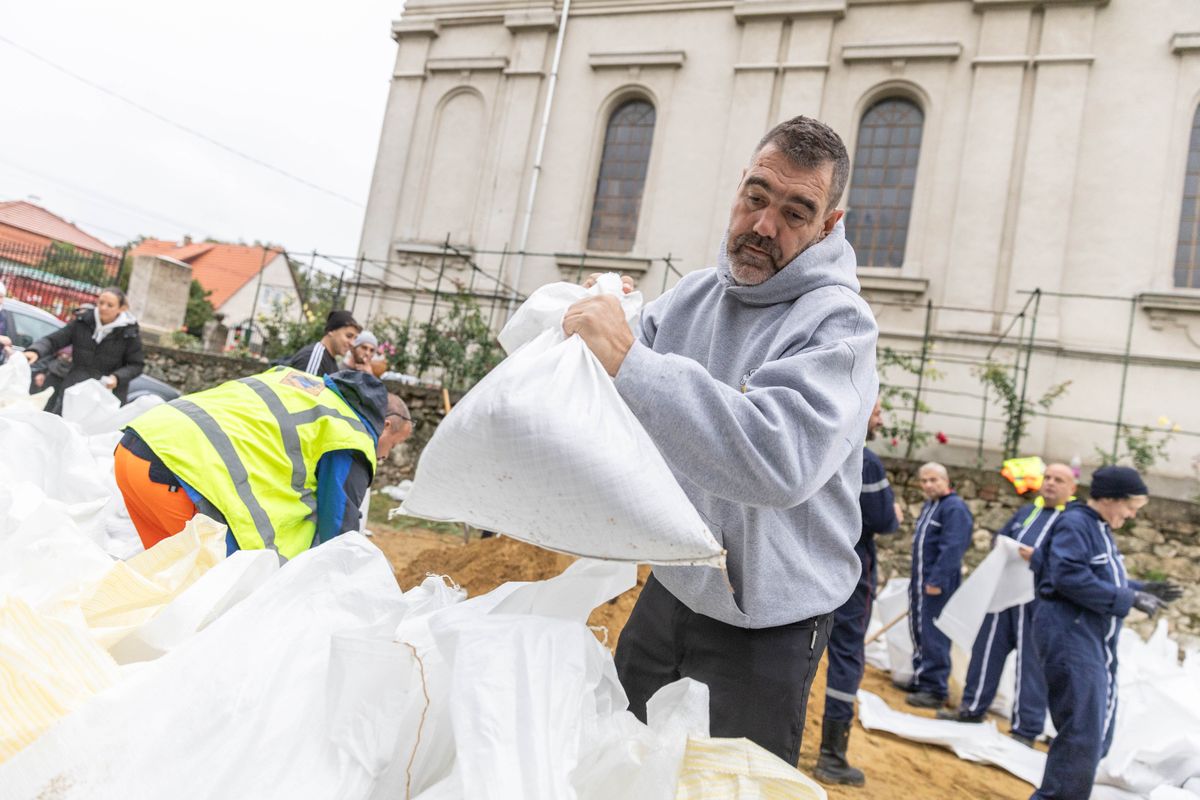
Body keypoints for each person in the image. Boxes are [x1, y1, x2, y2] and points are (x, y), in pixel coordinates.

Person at [562, 115, 879, 764]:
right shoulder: (695, 298)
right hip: (673, 593)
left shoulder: (838, 327)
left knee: (722, 787)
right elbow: (616, 389)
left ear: (830, 225)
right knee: (616, 765)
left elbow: (776, 461)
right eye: (757, 197)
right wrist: (600, 320)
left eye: (797, 212)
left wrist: (630, 361)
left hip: (768, 629)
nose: (765, 225)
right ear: (740, 188)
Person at [114, 366, 414, 559]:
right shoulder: (351, 431)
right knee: (209, 596)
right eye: (392, 445)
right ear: (386, 426)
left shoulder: (296, 380)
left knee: (165, 582)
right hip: (176, 476)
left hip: (135, 449)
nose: (384, 456)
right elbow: (338, 530)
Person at [1029, 465, 1182, 799]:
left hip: (1090, 639)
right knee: (1082, 732)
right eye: (1130, 507)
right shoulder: (1076, 524)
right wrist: (1128, 597)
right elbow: (1067, 577)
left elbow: (1097, 576)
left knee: (1093, 733)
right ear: (1111, 499)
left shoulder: (1096, 527)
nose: (1130, 515)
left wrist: (1142, 588)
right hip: (1071, 636)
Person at [936, 462, 1077, 745]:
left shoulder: (1070, 521)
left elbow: (1068, 562)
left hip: (1037, 601)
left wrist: (1035, 558)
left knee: (1031, 664)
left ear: (1071, 488)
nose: (1050, 483)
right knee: (986, 651)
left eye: (1058, 480)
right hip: (1002, 596)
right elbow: (1003, 536)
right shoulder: (1027, 512)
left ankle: (1026, 728)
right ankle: (972, 709)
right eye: (1047, 477)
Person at [814, 394, 903, 786]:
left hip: (808, 562)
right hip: (850, 571)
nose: (881, 420)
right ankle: (832, 756)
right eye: (878, 411)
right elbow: (883, 518)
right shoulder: (865, 461)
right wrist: (893, 514)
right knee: (847, 656)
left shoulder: (815, 440)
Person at [905, 462, 974, 709]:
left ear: (946, 481)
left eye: (933, 480)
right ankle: (921, 676)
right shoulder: (929, 506)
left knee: (934, 633)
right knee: (918, 628)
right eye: (924, 481)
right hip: (920, 581)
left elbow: (953, 548)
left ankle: (934, 688)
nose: (928, 485)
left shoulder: (954, 509)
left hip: (937, 584)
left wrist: (937, 580)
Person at [23, 286, 144, 415]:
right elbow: (54, 340)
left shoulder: (129, 333)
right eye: (101, 303)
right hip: (74, 390)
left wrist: (117, 378)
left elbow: (136, 365)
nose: (103, 308)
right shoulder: (83, 322)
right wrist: (35, 350)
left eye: (110, 305)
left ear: (121, 308)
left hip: (104, 397)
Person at [285, 309, 361, 377]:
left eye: (354, 338)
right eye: (349, 336)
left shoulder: (329, 360)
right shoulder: (314, 357)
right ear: (331, 331)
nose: (352, 343)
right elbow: (302, 391)